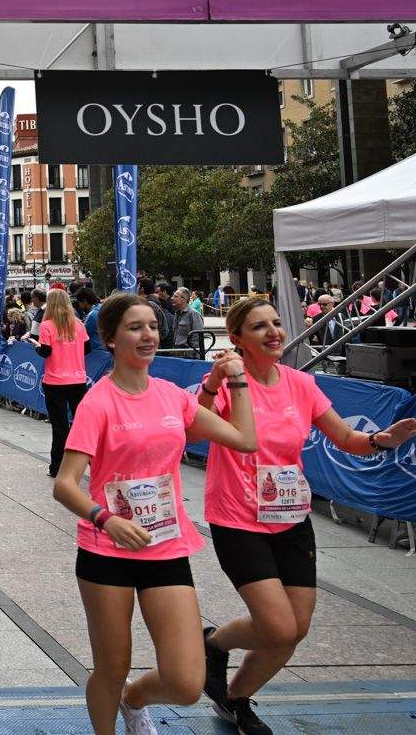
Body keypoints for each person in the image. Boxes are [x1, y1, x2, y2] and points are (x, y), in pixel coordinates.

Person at [199, 297, 416, 734]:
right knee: (278, 627)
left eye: (276, 323)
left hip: (290, 515)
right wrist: (214, 382)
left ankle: (235, 697)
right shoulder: (228, 382)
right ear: (236, 339)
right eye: (259, 326)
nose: (274, 332)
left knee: (296, 628)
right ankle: (212, 643)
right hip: (238, 518)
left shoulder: (301, 384)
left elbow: (346, 438)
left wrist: (383, 439)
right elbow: (195, 424)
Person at [52, 292, 257, 735]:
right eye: (135, 327)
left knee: (187, 682)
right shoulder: (98, 402)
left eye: (152, 326)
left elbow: (244, 439)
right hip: (107, 551)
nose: (148, 335)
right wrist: (106, 518)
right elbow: (64, 484)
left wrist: (235, 380)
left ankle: (134, 698)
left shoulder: (172, 397)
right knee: (111, 666)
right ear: (110, 339)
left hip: (165, 547)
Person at [37, 288, 93, 478]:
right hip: (78, 380)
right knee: (84, 425)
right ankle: (96, 464)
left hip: (55, 381)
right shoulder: (79, 325)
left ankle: (57, 467)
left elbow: (45, 352)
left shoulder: (47, 326)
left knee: (59, 426)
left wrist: (36, 347)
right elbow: (87, 349)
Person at [170, 287, 205, 353]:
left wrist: (191, 354)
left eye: (175, 296)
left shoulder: (193, 314)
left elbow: (197, 338)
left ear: (184, 299)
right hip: (177, 353)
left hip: (188, 355)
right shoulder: (177, 313)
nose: (172, 298)